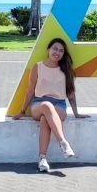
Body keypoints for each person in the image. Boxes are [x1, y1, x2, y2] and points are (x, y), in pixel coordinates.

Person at [17, 39, 85, 172]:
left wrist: (76, 113)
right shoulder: (38, 67)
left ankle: (42, 159)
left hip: (59, 105)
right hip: (39, 104)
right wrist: (22, 111)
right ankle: (64, 143)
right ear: (48, 49)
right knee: (47, 106)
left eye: (61, 50)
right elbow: (30, 90)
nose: (57, 52)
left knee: (45, 120)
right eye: (55, 48)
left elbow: (70, 93)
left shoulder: (66, 69)